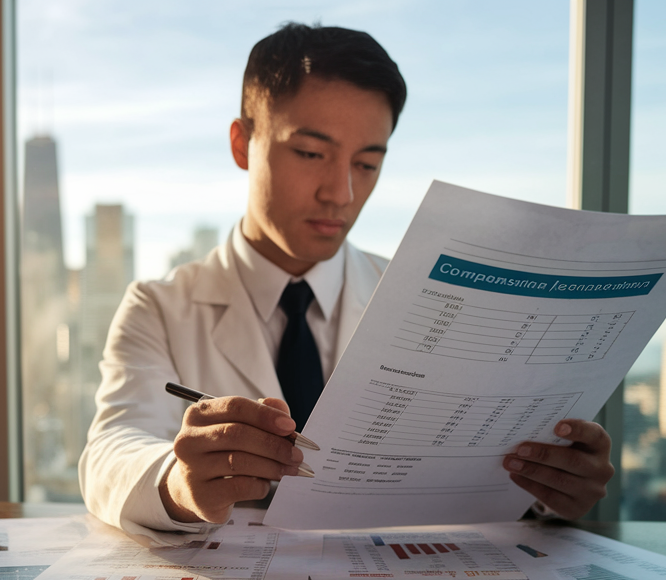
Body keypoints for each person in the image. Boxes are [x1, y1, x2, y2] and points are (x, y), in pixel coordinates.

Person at [79, 23, 614, 540]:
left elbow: (483, 449)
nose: (341, 193)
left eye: (367, 164)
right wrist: (177, 483)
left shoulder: (433, 299)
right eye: (311, 154)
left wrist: (550, 483)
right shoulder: (159, 307)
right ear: (243, 144)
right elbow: (111, 449)